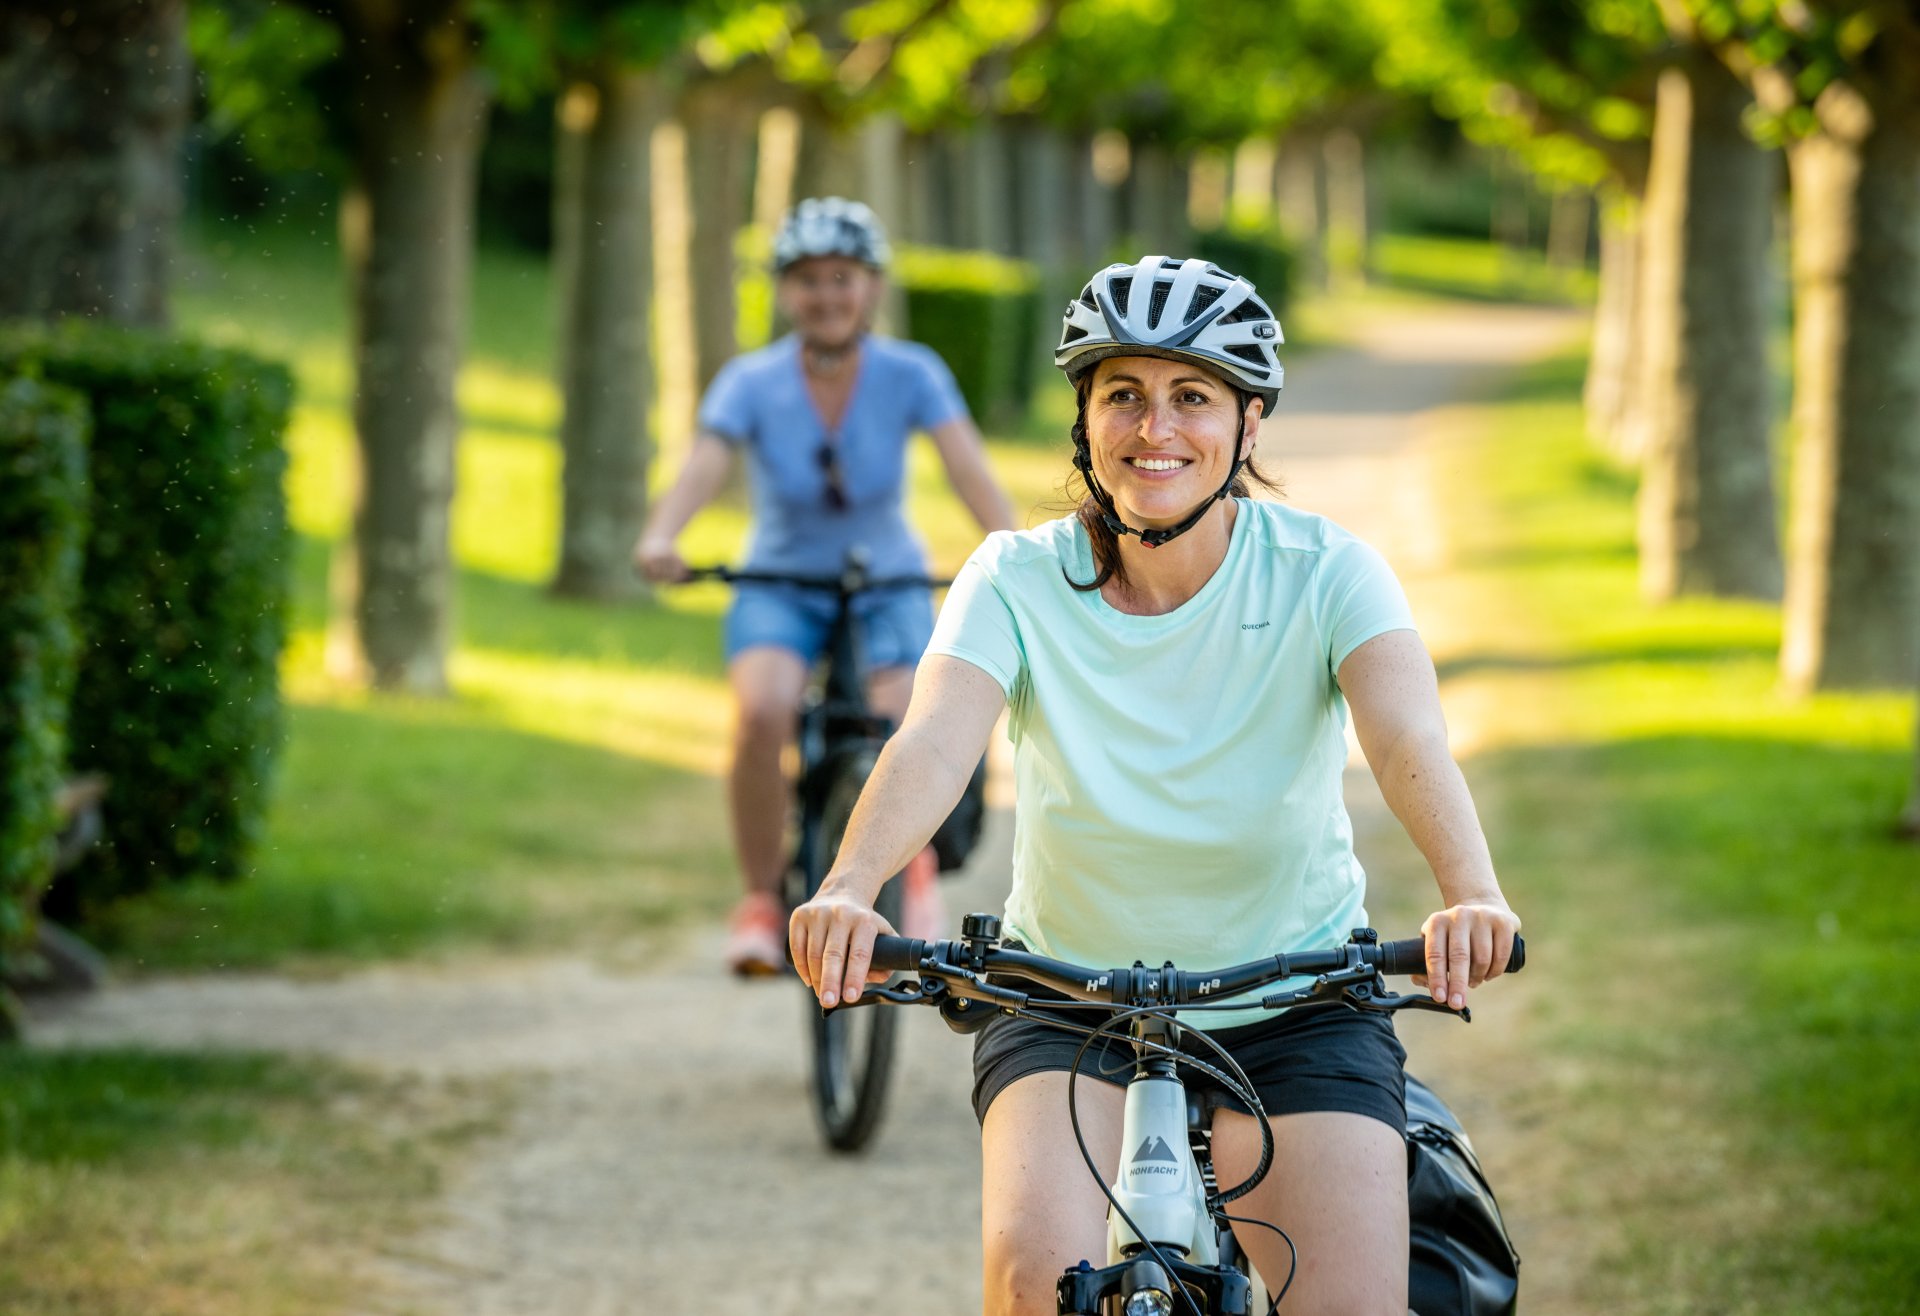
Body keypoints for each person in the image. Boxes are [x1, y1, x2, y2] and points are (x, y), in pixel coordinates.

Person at [788, 255, 1522, 1314]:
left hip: (1299, 999)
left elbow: (1407, 735)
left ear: (1250, 423)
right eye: (1122, 394)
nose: (1153, 427)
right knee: (1031, 1282)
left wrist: (1472, 888)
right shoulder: (1015, 577)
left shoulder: (1327, 570)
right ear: (1084, 419)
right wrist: (851, 883)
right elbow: (934, 742)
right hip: (1062, 995)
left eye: (1193, 396)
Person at [636, 197, 1014, 975]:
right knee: (763, 709)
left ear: (871, 287)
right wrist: (662, 534)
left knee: (905, 719)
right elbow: (705, 462)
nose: (826, 295)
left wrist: (1014, 549)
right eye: (807, 280)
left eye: (842, 278)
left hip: (888, 582)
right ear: (783, 291)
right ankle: (758, 899)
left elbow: (967, 467)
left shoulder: (913, 373)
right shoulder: (750, 380)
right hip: (781, 582)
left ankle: (905, 870)